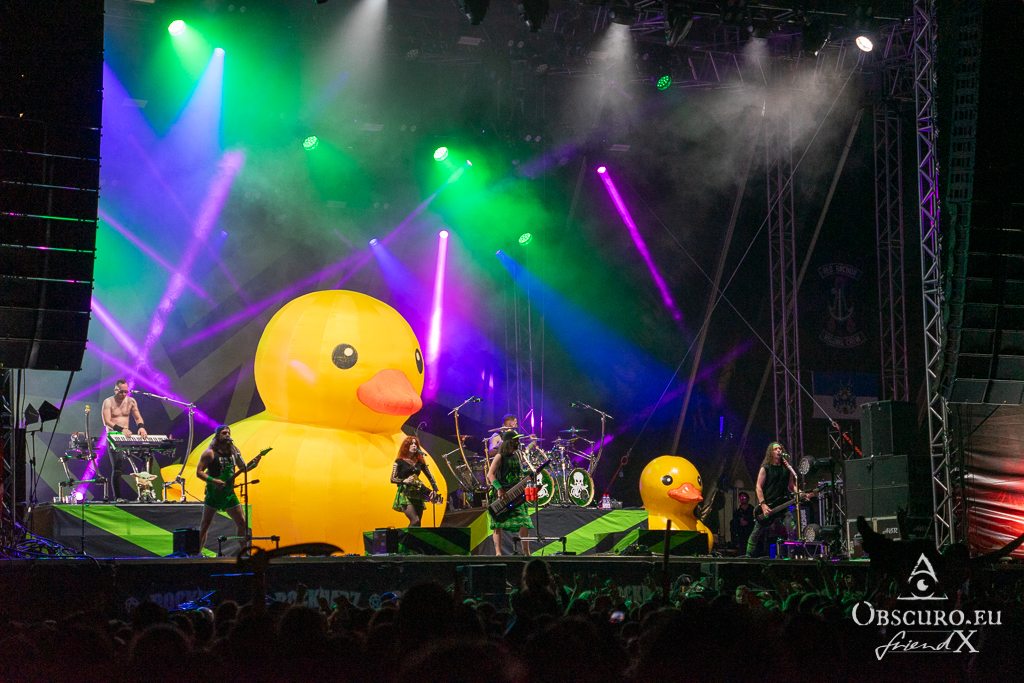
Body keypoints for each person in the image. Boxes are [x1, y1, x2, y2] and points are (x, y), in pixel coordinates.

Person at [196, 425, 264, 551]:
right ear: (217, 436)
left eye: (228, 433)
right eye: (224, 433)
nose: (227, 435)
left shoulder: (234, 452)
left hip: (229, 494)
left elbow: (243, 469)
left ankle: (244, 552)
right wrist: (213, 481)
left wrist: (254, 464)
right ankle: (197, 553)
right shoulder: (209, 453)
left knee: (242, 523)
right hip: (214, 494)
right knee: (205, 524)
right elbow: (199, 472)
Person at [747, 442, 814, 557]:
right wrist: (763, 504)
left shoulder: (786, 469)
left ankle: (791, 556)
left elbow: (791, 486)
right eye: (775, 449)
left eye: (780, 448)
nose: (778, 450)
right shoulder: (766, 468)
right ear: (771, 452)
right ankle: (748, 556)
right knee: (757, 531)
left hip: (782, 505)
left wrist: (802, 493)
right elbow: (758, 486)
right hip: (768, 505)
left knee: (792, 529)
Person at [100, 378, 148, 502]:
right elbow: (106, 421)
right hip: (114, 436)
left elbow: (137, 417)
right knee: (118, 466)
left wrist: (141, 427)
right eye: (121, 391)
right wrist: (121, 429)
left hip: (127, 437)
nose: (123, 394)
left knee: (146, 456)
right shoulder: (108, 402)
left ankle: (145, 493)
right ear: (115, 390)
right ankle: (118, 497)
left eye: (125, 391)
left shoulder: (131, 401)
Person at [486, 431, 533, 556]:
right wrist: (499, 489)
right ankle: (498, 553)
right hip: (502, 494)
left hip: (516, 494)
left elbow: (519, 473)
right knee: (498, 524)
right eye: (515, 440)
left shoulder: (518, 455)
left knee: (524, 522)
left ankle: (526, 552)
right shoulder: (499, 456)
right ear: (508, 442)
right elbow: (490, 474)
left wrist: (530, 474)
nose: (518, 441)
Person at [390, 436, 439, 527]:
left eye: (415, 444)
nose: (414, 445)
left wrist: (435, 490)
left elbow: (430, 477)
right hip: (405, 493)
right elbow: (392, 479)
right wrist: (404, 480)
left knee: (418, 523)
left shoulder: (420, 461)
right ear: (406, 446)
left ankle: (412, 537)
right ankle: (404, 537)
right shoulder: (399, 461)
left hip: (417, 493)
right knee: (415, 520)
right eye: (411, 444)